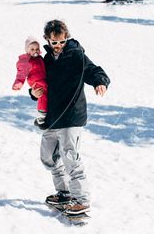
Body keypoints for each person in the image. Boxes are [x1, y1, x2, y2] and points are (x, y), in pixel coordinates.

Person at [30, 20, 109, 216]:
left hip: (72, 116)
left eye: (61, 42)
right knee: (48, 157)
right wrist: (34, 92)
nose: (58, 46)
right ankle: (64, 193)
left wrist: (100, 82)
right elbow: (38, 83)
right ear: (47, 40)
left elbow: (95, 71)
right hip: (53, 117)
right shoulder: (46, 60)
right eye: (54, 43)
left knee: (70, 156)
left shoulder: (76, 55)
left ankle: (81, 200)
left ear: (67, 38)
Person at [12, 37, 48, 128]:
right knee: (42, 95)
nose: (35, 51)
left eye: (37, 49)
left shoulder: (40, 58)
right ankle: (41, 114)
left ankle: (44, 112)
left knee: (45, 94)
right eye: (32, 49)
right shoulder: (25, 61)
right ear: (27, 50)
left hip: (43, 80)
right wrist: (18, 83)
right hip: (36, 81)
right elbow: (21, 74)